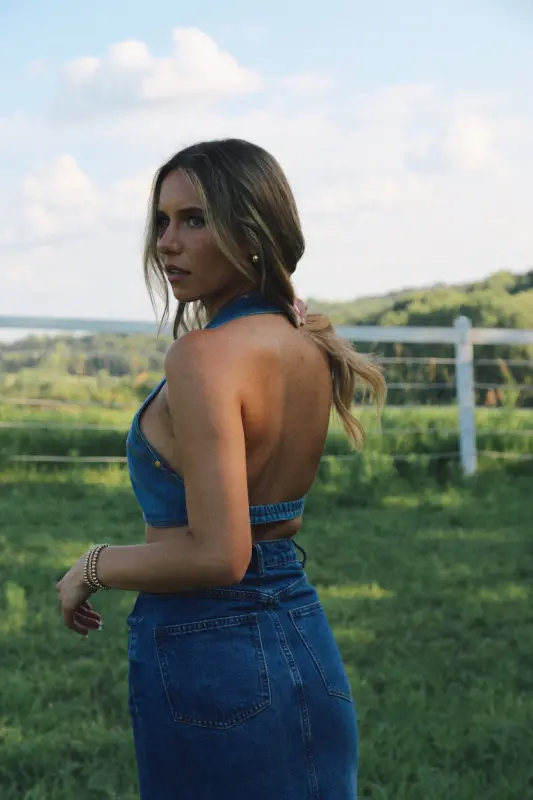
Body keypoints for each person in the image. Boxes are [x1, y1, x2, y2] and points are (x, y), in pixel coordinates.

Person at [57, 138, 386, 799]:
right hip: (302, 635)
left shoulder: (204, 356)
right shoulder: (304, 344)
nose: (166, 243)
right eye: (161, 221)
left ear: (252, 231)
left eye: (194, 219)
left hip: (212, 656)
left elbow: (220, 554)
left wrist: (92, 566)